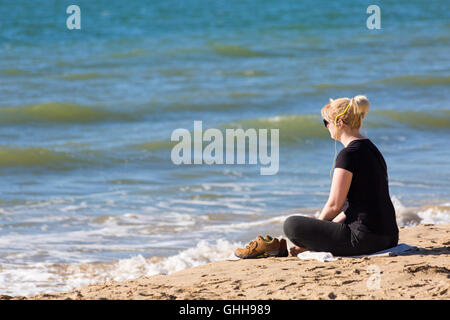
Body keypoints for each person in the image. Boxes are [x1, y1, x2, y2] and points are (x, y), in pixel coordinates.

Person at [283, 95, 399, 256]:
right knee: (313, 222)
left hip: (365, 239)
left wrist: (316, 230)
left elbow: (334, 205)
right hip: (390, 237)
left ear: (340, 123)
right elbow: (353, 208)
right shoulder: (372, 149)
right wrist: (318, 234)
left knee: (292, 224)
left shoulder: (348, 154)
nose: (327, 127)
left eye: (326, 123)